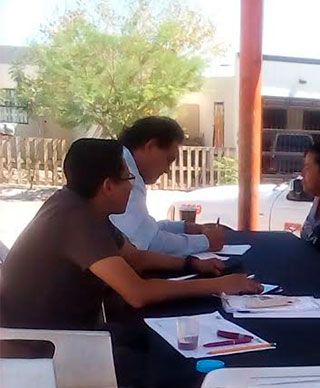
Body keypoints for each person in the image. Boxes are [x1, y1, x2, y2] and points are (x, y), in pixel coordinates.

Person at [0, 139, 262, 331]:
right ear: (108, 186)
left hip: (65, 330)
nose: (132, 187)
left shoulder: (77, 205)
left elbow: (134, 258)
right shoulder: (77, 219)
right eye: (128, 179)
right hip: (44, 345)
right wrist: (219, 285)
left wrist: (193, 264)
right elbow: (137, 293)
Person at [110, 116, 224, 257]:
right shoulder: (125, 175)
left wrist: (187, 228)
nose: (167, 170)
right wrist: (206, 242)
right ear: (150, 146)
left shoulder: (123, 162)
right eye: (169, 160)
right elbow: (146, 243)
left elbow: (144, 229)